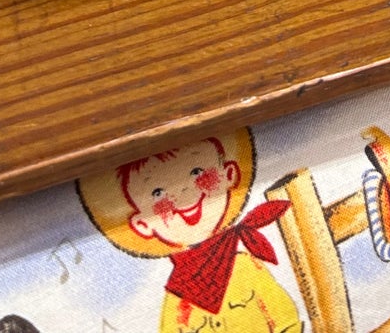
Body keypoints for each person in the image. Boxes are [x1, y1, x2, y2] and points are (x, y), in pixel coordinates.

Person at [79, 130, 302, 333]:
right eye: (157, 193)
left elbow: (287, 321)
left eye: (197, 171)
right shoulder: (177, 301)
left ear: (229, 175)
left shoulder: (245, 268)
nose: (184, 194)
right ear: (142, 225)